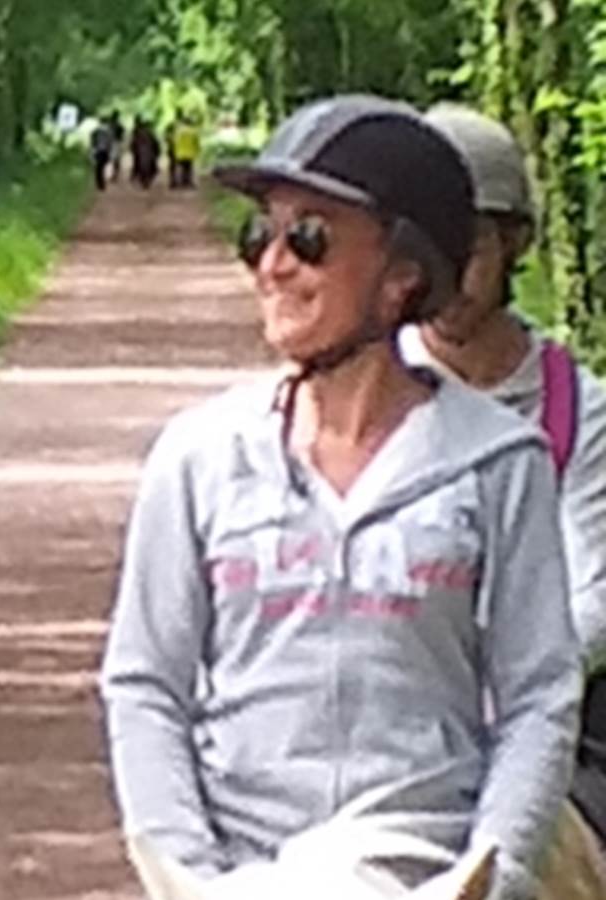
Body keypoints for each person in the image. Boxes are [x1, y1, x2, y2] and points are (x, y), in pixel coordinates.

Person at [101, 94, 581, 899]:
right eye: (259, 235)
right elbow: (145, 684)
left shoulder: (498, 464)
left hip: (423, 871)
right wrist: (189, 873)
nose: (272, 264)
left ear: (403, 274)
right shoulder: (199, 459)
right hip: (241, 876)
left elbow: (538, 696)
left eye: (310, 238)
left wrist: (494, 873)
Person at [405, 102, 606, 879]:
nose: (448, 272)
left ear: (515, 242)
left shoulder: (582, 410)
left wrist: (504, 689)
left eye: (471, 245)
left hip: (555, 715)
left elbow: (595, 591)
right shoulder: (364, 392)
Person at [170, 117, 202, 188]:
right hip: (190, 153)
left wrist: (174, 150)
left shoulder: (178, 132)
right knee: (189, 168)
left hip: (180, 153)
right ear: (190, 123)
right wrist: (198, 150)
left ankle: (180, 182)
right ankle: (188, 182)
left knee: (180, 168)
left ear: (183, 123)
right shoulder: (194, 132)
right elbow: (197, 143)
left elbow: (174, 142)